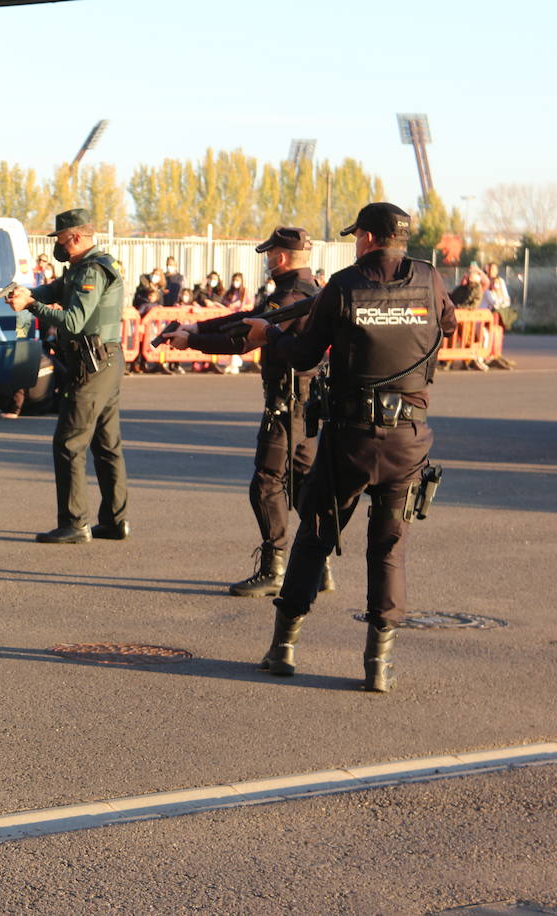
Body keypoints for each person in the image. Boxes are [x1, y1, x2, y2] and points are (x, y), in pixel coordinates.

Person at [242, 202, 456, 693]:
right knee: (389, 549)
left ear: (366, 236)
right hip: (408, 440)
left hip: (350, 439)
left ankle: (284, 648)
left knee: (315, 538)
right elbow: (446, 323)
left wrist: (269, 333)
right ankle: (378, 665)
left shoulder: (343, 284)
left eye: (357, 234)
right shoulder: (429, 278)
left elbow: (303, 353)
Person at [169, 227, 332, 597]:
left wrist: (191, 341)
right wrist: (196, 325)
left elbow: (244, 340)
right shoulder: (311, 291)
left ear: (281, 257)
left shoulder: (289, 296)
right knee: (304, 484)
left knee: (267, 483)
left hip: (286, 402)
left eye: (269, 255)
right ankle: (318, 565)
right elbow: (247, 318)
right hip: (307, 402)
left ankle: (275, 566)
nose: (266, 262)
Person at [6, 208, 128, 544]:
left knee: (69, 443)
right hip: (104, 361)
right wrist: (26, 293)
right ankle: (115, 521)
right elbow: (53, 290)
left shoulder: (92, 270)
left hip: (93, 364)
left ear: (74, 236)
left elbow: (73, 322)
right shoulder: (85, 266)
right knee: (106, 444)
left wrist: (31, 306)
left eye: (60, 237)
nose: (57, 244)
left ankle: (75, 524)